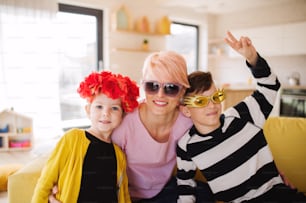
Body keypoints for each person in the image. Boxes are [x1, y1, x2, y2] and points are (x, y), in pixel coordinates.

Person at [49, 51, 214, 203]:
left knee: (205, 193)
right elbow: (89, 151)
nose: (160, 95)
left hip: (165, 190)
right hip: (125, 195)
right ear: (143, 86)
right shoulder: (126, 123)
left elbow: (221, 129)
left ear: (183, 90)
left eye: (171, 88)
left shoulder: (187, 120)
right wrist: (59, 184)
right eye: (152, 86)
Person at [176, 31, 306, 203]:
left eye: (215, 97)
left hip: (277, 196)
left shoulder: (241, 116)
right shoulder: (186, 145)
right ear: (186, 110)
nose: (212, 105)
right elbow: (185, 185)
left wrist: (252, 58)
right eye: (201, 101)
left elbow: (270, 86)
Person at [32, 71, 139, 203]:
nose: (106, 113)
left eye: (114, 108)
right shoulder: (71, 139)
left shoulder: (119, 155)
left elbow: (123, 194)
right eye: (99, 106)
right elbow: (45, 182)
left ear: (122, 115)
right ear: (88, 110)